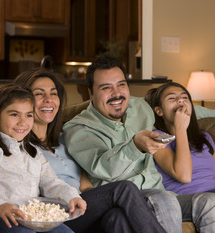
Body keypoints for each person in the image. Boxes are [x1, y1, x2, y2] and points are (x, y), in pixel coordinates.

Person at [63, 55, 215, 233]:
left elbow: (176, 108)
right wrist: (135, 147)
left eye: (121, 85)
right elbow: (102, 168)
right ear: (90, 93)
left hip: (165, 195)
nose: (116, 94)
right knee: (163, 199)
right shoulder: (78, 129)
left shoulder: (139, 107)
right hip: (125, 203)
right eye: (106, 87)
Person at [13, 68, 166, 233]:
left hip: (81, 208)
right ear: (22, 100)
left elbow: (86, 186)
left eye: (53, 93)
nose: (48, 100)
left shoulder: (65, 138)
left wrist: (101, 203)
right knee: (124, 188)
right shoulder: (18, 147)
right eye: (39, 94)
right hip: (53, 214)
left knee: (116, 217)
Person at [0, 84, 86, 233]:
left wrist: (71, 196)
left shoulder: (32, 150)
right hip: (5, 217)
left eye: (28, 115)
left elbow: (50, 182)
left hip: (35, 215)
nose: (23, 122)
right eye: (14, 114)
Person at [144, 82, 215, 203]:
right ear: (159, 111)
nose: (180, 101)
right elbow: (184, 176)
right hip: (189, 198)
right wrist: (180, 129)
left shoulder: (204, 137)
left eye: (185, 97)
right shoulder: (158, 137)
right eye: (172, 98)